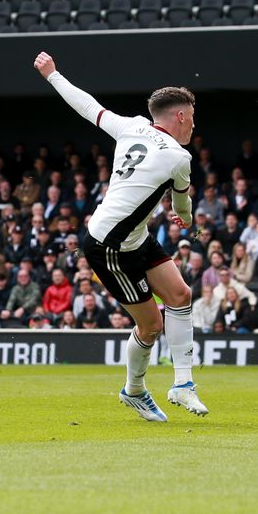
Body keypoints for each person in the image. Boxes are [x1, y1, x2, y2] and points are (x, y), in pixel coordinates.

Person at [34, 51, 206, 422]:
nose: (193, 125)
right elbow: (183, 205)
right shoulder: (179, 157)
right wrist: (186, 219)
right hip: (107, 246)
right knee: (150, 325)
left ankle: (183, 384)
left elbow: (89, 107)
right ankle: (135, 390)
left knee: (180, 294)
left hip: (136, 236)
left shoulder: (131, 126)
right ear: (179, 117)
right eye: (191, 118)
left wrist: (53, 75)